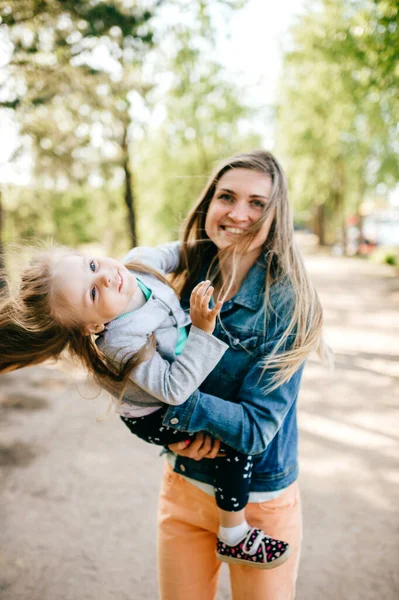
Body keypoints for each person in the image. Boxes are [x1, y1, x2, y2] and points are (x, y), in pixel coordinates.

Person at [0, 233, 292, 571]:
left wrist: (219, 241)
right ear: (93, 326)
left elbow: (177, 251)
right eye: (93, 292)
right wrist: (200, 330)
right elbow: (173, 390)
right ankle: (234, 534)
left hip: (164, 389)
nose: (107, 276)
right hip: (154, 414)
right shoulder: (121, 341)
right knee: (232, 441)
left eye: (92, 265)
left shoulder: (138, 265)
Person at [145, 150, 326, 600]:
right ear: (209, 202)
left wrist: (174, 408)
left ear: (276, 214)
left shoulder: (288, 303)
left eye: (257, 203)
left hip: (260, 504)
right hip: (183, 482)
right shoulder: (190, 273)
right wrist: (167, 433)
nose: (238, 213)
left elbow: (257, 427)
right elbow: (140, 363)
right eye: (227, 196)